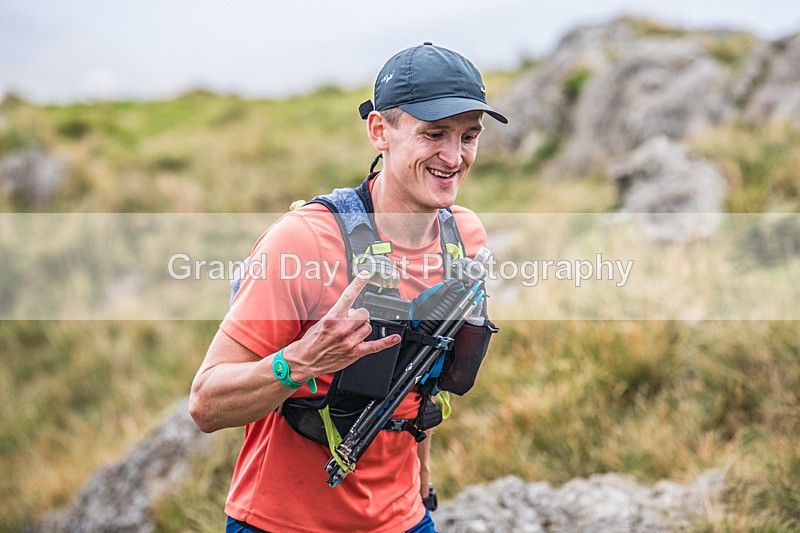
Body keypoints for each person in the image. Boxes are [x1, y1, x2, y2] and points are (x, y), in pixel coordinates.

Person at [189, 42, 507, 533]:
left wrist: (422, 480)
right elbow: (205, 404)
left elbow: (423, 372)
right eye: (434, 134)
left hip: (404, 518)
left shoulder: (464, 237)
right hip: (281, 523)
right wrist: (300, 361)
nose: (453, 157)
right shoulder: (304, 242)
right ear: (379, 131)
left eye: (469, 136)